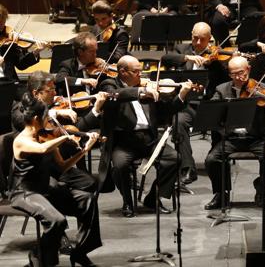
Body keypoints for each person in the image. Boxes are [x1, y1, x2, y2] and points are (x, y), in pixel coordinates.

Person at [10, 95, 101, 267]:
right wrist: (65, 137)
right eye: (47, 116)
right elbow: (42, 149)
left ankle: (80, 252)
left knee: (87, 200)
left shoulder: (46, 137)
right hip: (25, 192)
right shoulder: (21, 141)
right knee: (57, 221)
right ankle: (38, 257)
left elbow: (62, 167)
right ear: (37, 118)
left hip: (45, 190)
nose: (50, 120)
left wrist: (84, 150)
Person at [98, 55, 192, 217]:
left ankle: (153, 197)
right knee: (120, 166)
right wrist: (139, 91)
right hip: (124, 143)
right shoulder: (110, 84)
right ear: (123, 72)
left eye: (141, 71)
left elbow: (165, 111)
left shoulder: (149, 88)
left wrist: (181, 95)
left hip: (149, 139)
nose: (141, 75)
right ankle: (127, 201)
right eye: (136, 71)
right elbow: (114, 95)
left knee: (174, 159)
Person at [204, 56, 265, 210]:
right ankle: (222, 193)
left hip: (255, 137)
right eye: (234, 74)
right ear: (229, 74)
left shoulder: (261, 87)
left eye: (242, 72)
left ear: (248, 69)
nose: (239, 77)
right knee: (212, 160)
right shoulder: (222, 90)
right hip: (231, 138)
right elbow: (213, 111)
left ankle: (261, 187)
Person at [160, 22, 229, 184]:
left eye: (202, 39)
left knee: (222, 122)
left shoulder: (217, 55)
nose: (198, 43)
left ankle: (214, 161)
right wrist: (188, 57)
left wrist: (216, 64)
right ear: (191, 35)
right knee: (178, 122)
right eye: (195, 38)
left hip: (209, 104)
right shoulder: (182, 50)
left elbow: (226, 80)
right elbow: (165, 58)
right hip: (188, 105)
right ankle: (188, 168)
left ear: (210, 39)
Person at [12, 70, 107, 186]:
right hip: (35, 170)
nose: (55, 93)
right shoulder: (20, 108)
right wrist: (53, 113)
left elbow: (76, 128)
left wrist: (95, 110)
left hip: (59, 164)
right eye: (50, 90)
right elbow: (21, 121)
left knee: (94, 183)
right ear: (36, 93)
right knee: (56, 188)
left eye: (54, 89)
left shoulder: (57, 104)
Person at [0, 3, 45, 83]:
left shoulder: (10, 40)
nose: (2, 27)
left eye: (3, 23)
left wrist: (35, 52)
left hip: (10, 83)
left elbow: (21, 65)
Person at [55, 32, 102, 97]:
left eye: (95, 51)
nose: (95, 54)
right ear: (80, 52)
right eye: (91, 51)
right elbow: (60, 79)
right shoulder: (67, 65)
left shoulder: (98, 66)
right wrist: (83, 81)